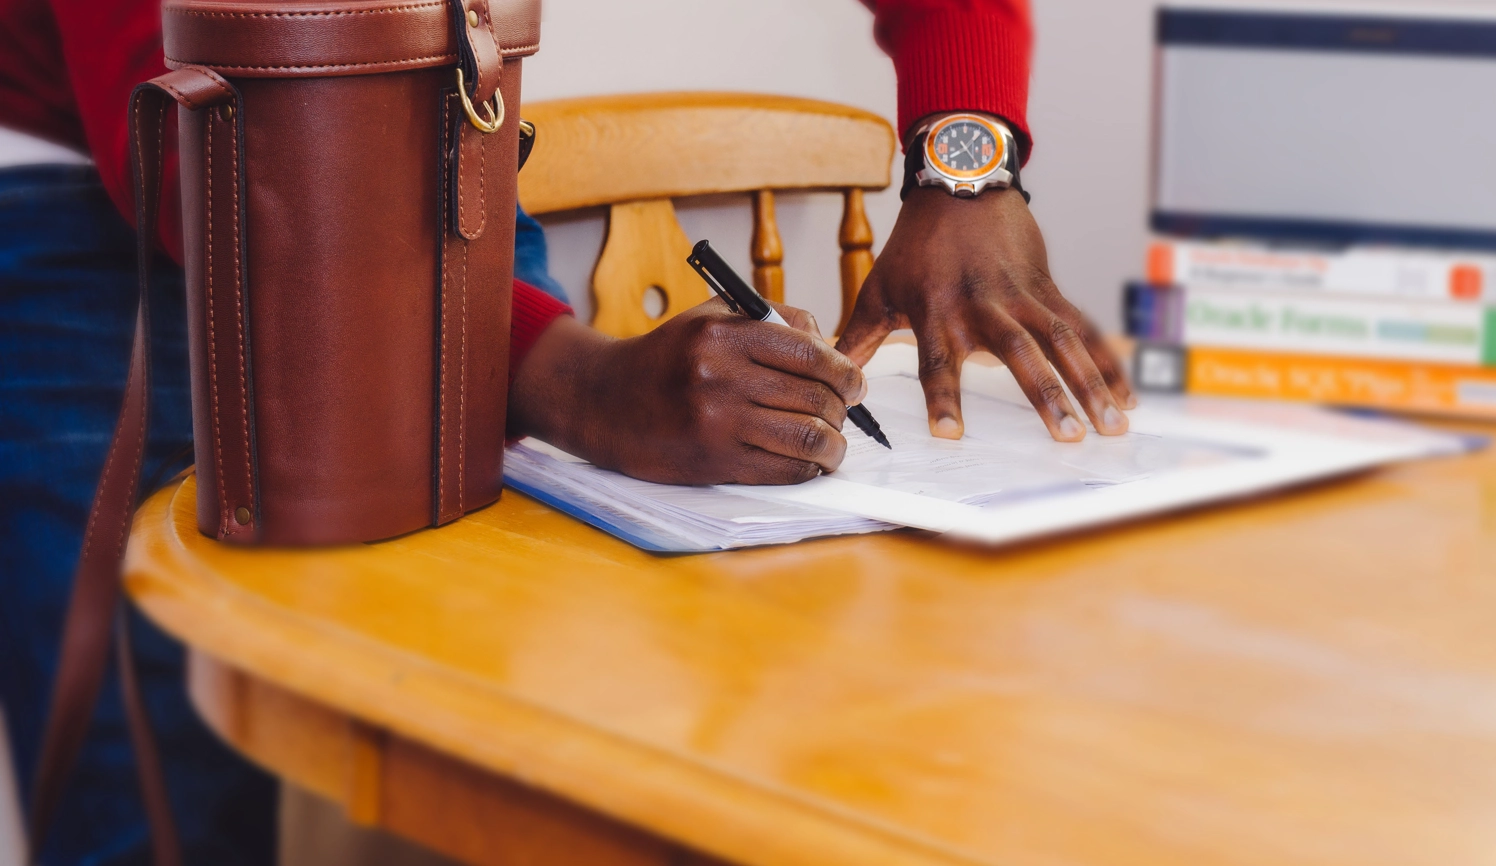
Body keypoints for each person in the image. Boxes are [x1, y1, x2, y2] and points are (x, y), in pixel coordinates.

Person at [0, 0, 1134, 861]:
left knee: (511, 686)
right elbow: (179, 121)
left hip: (415, 102)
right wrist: (580, 384)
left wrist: (962, 159)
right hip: (85, 171)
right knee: (140, 769)